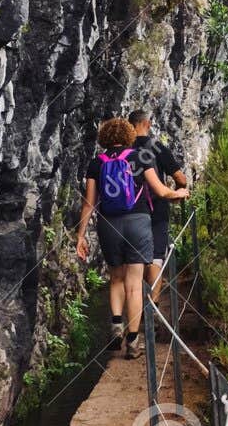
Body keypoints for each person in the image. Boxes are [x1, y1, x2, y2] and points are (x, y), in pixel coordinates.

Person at [75, 117, 189, 359]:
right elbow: (160, 191)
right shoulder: (140, 157)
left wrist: (80, 235)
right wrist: (179, 192)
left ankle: (116, 325)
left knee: (116, 277)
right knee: (134, 285)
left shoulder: (97, 163)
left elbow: (89, 203)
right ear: (128, 136)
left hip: (108, 224)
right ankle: (133, 342)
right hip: (138, 222)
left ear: (104, 138)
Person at [128, 109, 188, 305]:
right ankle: (151, 305)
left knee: (134, 258)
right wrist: (178, 193)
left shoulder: (123, 148)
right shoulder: (156, 147)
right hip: (156, 208)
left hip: (129, 210)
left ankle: (133, 306)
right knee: (155, 256)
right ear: (147, 123)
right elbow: (180, 177)